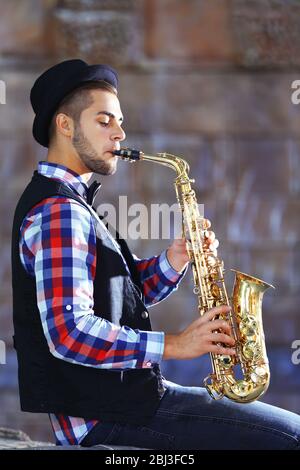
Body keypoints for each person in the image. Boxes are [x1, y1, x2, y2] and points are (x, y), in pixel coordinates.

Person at [11, 59, 300, 450]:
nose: (120, 133)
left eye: (120, 121)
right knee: (292, 436)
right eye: (104, 121)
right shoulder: (60, 212)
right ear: (65, 125)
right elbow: (70, 333)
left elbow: (117, 296)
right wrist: (176, 344)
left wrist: (176, 258)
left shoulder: (75, 206)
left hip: (125, 403)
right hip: (108, 417)